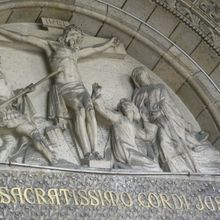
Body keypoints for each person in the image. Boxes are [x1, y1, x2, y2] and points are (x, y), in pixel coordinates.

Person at [0, 25, 119, 160]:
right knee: (80, 110)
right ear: (67, 35)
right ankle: (87, 153)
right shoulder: (51, 46)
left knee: (90, 111)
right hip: (65, 87)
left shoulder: (75, 52)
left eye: (79, 38)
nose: (77, 40)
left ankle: (95, 150)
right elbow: (23, 37)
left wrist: (109, 43)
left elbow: (94, 49)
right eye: (74, 35)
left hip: (80, 87)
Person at [131, 66, 220, 173]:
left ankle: (189, 165)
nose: (140, 76)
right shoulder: (137, 94)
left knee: (176, 140)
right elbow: (138, 112)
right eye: (137, 76)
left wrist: (166, 112)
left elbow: (170, 105)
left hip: (167, 119)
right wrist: (146, 116)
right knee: (163, 142)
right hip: (153, 123)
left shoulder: (159, 87)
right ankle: (171, 167)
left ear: (146, 75)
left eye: (141, 74)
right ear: (136, 81)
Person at [92, 83, 161, 171]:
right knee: (154, 166)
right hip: (125, 151)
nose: (127, 108)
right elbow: (103, 110)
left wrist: (145, 120)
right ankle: (122, 166)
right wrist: (97, 94)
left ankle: (124, 167)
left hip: (132, 152)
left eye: (128, 106)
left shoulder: (133, 126)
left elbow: (147, 137)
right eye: (125, 106)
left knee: (154, 166)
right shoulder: (119, 117)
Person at [0, 70, 55, 164]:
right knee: (32, 132)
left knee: (10, 142)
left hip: (8, 121)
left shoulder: (2, 78)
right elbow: (5, 95)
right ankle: (50, 156)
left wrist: (23, 91)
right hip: (6, 118)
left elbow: (11, 95)